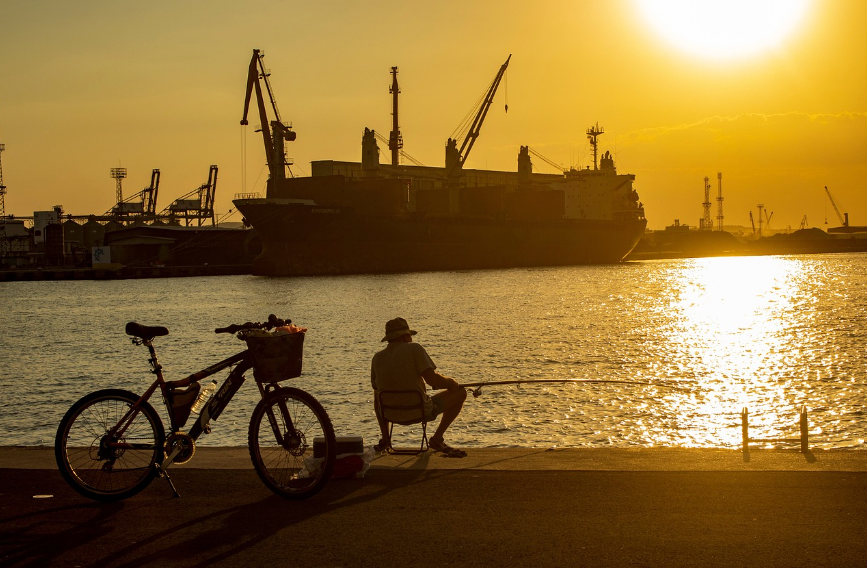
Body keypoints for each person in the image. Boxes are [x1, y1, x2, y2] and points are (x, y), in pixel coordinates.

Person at [371, 317, 468, 457]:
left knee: (377, 395)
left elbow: (377, 399)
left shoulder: (377, 358)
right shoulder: (415, 349)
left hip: (390, 413)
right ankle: (437, 439)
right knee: (461, 392)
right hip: (419, 411)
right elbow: (432, 380)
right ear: (404, 336)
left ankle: (386, 439)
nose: (410, 339)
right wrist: (451, 382)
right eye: (409, 335)